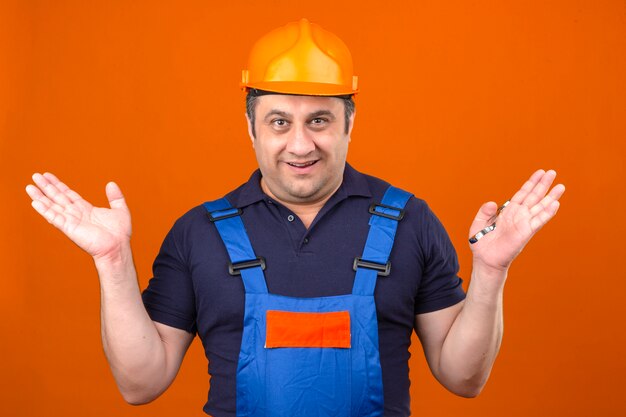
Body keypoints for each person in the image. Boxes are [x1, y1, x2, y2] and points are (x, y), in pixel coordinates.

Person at [25, 18, 565, 417]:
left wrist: (491, 272)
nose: (300, 144)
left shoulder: (409, 222)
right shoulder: (200, 232)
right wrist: (112, 261)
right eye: (279, 121)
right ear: (250, 126)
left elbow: (463, 378)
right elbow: (140, 384)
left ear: (350, 123)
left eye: (321, 120)